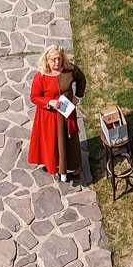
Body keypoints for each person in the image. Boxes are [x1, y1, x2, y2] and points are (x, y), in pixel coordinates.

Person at [27, 44, 88, 183]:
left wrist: (77, 98)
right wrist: (50, 102)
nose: (56, 62)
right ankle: (57, 166)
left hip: (66, 115)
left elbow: (81, 80)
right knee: (53, 143)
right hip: (49, 118)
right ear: (46, 60)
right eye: (53, 59)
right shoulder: (40, 77)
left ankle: (71, 167)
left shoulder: (69, 69)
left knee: (69, 141)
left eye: (59, 59)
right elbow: (34, 97)